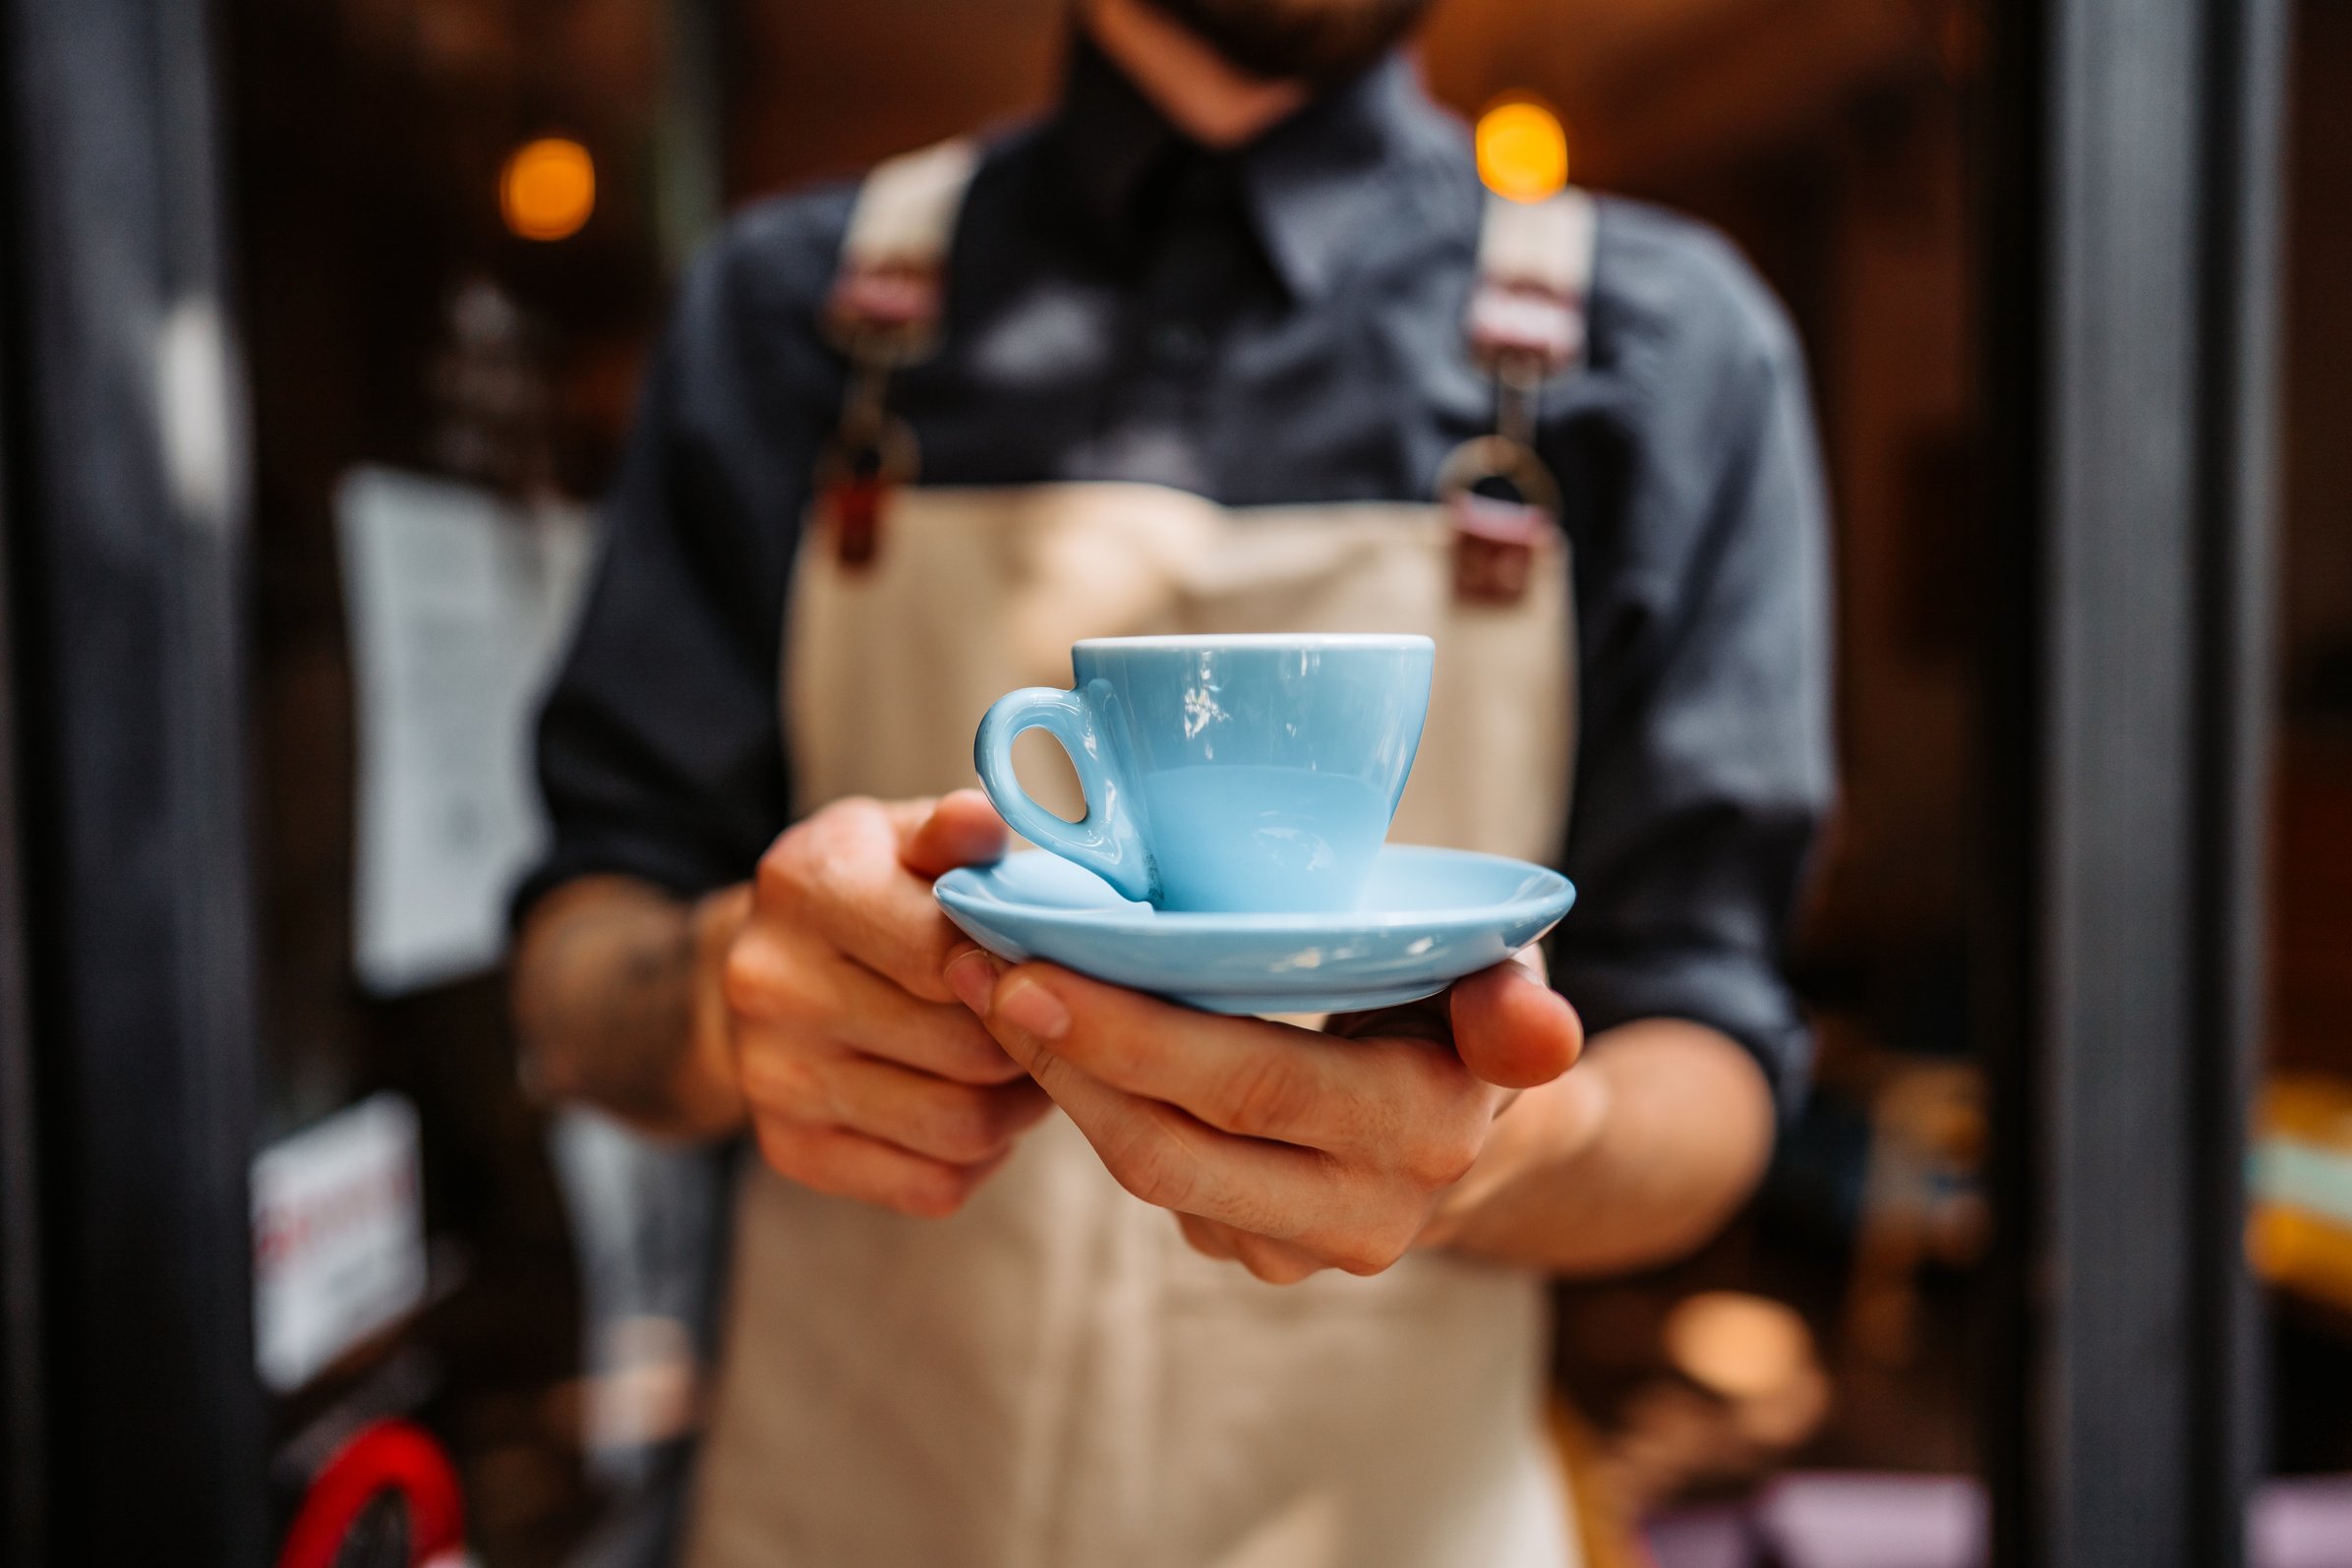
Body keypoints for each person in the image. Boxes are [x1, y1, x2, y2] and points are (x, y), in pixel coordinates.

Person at [511, 0, 1831, 1562]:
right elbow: (569, 973)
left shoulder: (1671, 348)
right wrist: (729, 997)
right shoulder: (785, 312)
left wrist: (1513, 1147)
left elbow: (1715, 1050)